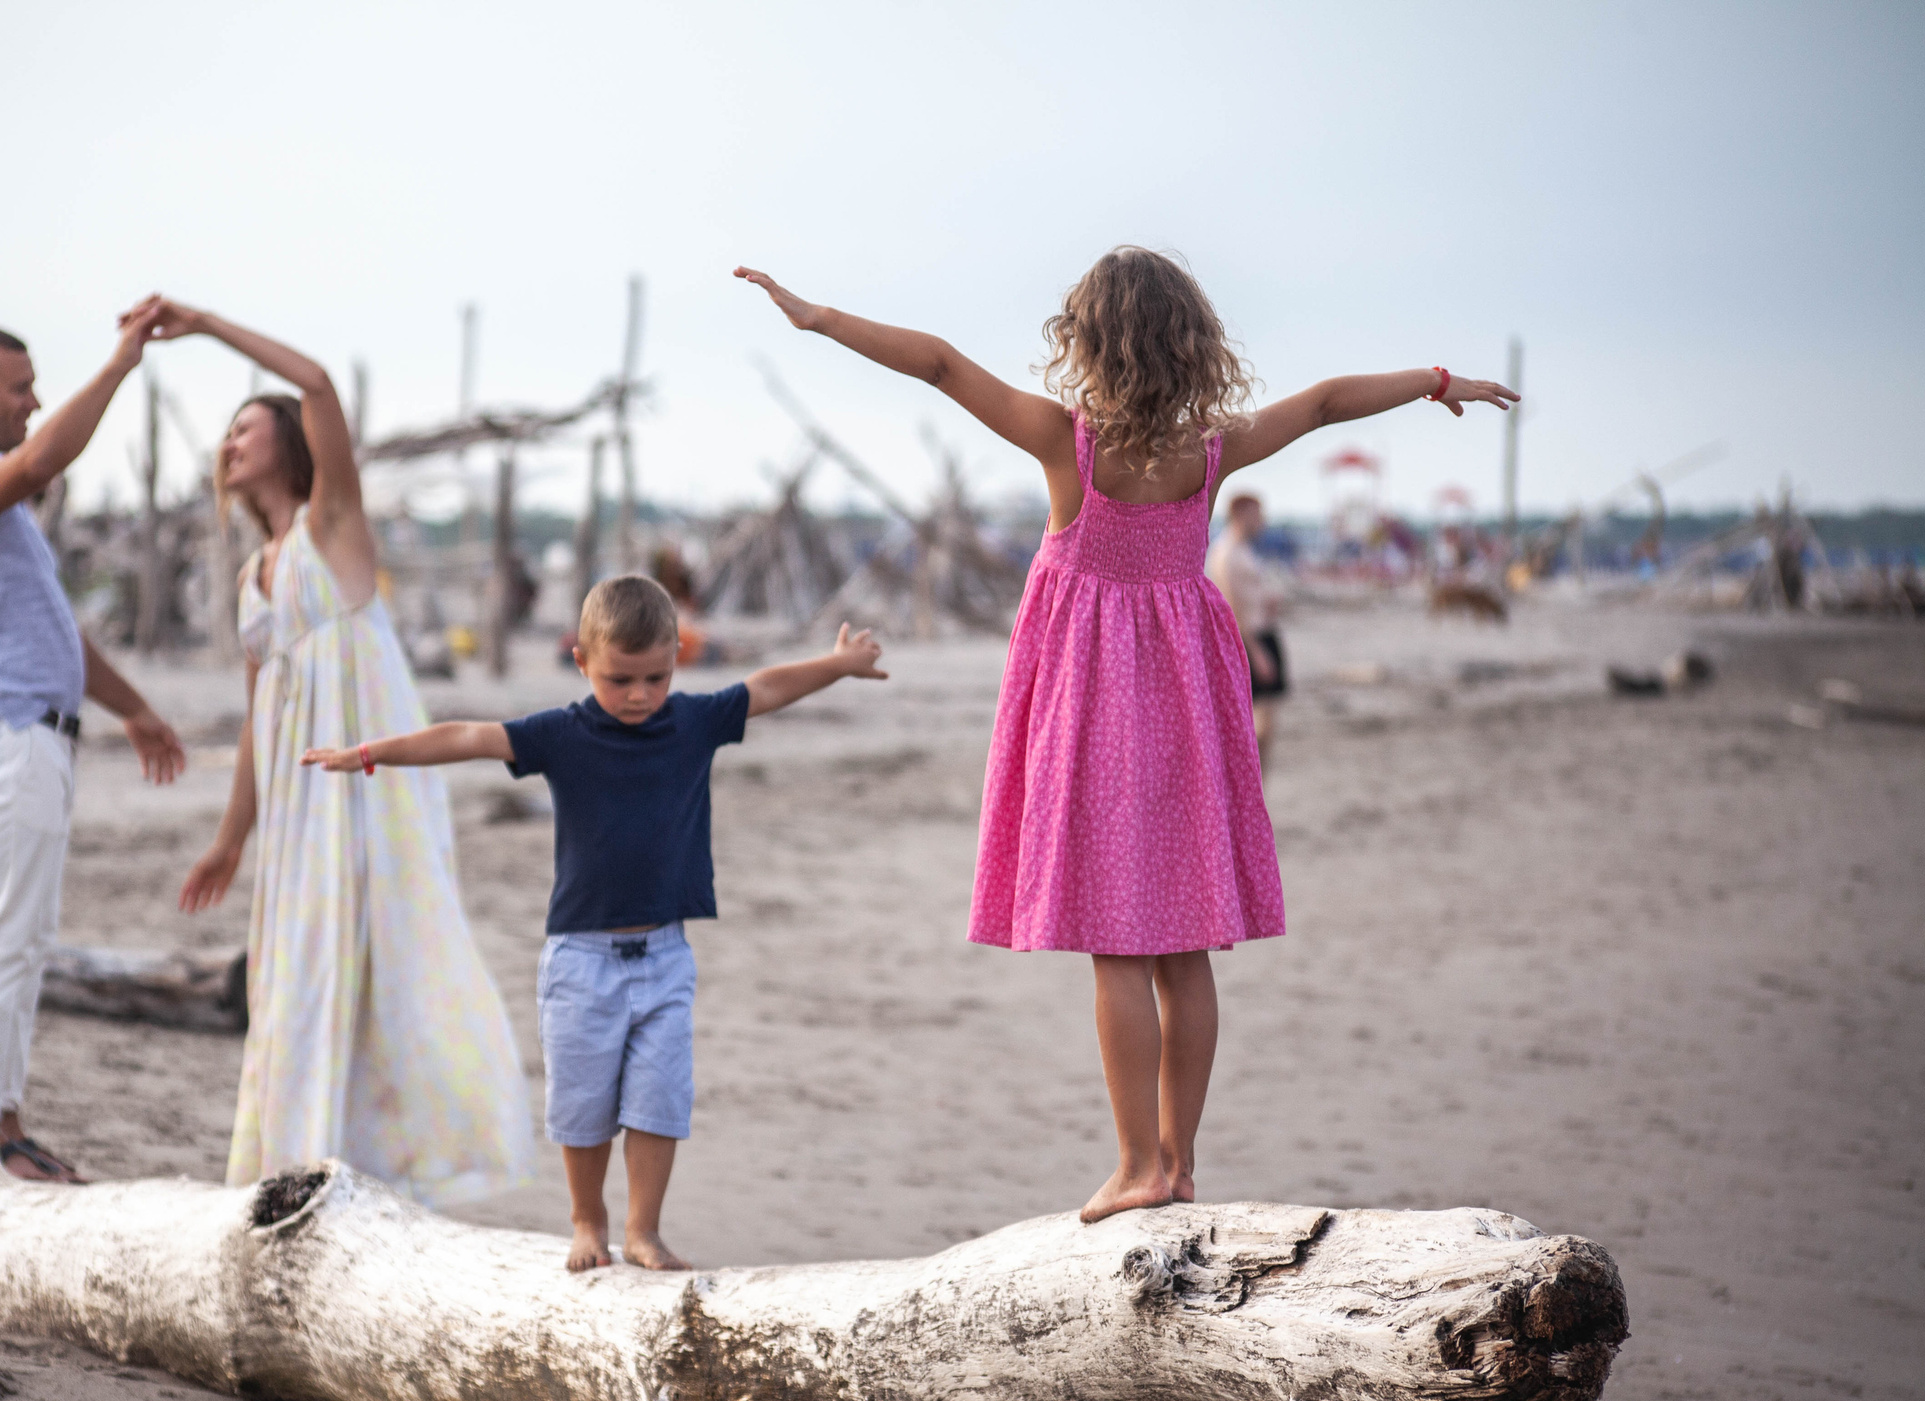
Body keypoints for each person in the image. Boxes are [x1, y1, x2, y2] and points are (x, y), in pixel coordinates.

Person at [737, 250, 1515, 1221]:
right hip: (1189, 703)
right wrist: (1435, 382)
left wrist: (819, 320)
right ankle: (1179, 1163)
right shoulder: (1214, 449)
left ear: (1088, 342)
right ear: (1192, 345)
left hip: (1096, 709)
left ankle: (1137, 1164)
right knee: (1184, 947)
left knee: (1116, 945)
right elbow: (1321, 403)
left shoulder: (1071, 444)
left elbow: (937, 362)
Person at [301, 577, 888, 1271]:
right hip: (581, 960)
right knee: (582, 1107)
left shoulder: (694, 720)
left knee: (657, 1101)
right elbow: (466, 735)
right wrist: (371, 753)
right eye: (619, 679)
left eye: (655, 677)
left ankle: (643, 1228)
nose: (639, 694)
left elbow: (766, 688)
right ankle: (588, 1219)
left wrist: (838, 664)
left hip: (667, 955)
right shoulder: (561, 734)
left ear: (676, 658)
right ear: (581, 661)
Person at [163, 299, 534, 1205]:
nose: (230, 443)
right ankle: (294, 1161)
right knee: (293, 960)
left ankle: (383, 1162)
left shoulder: (333, 528)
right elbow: (260, 719)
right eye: (226, 432)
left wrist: (209, 325)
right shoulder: (254, 576)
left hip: (367, 785)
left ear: (288, 445)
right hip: (296, 807)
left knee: (386, 952)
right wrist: (230, 837)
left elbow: (317, 382)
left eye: (247, 427)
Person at [0, 307, 189, 1183]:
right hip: (3, 737)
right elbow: (39, 461)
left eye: (37, 388)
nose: (31, 403)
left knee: (22, 940)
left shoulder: (6, 514)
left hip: (32, 738)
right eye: (19, 387)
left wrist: (135, 709)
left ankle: (3, 1121)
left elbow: (58, 635)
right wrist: (120, 364)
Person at [1206, 492, 1286, 773]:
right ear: (1241, 513)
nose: (1262, 520)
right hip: (1249, 640)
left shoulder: (1243, 550)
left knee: (1268, 719)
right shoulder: (1226, 551)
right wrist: (1255, 652)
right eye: (1257, 513)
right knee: (1257, 722)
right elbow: (1231, 608)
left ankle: (1258, 786)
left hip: (1263, 633)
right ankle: (1250, 784)